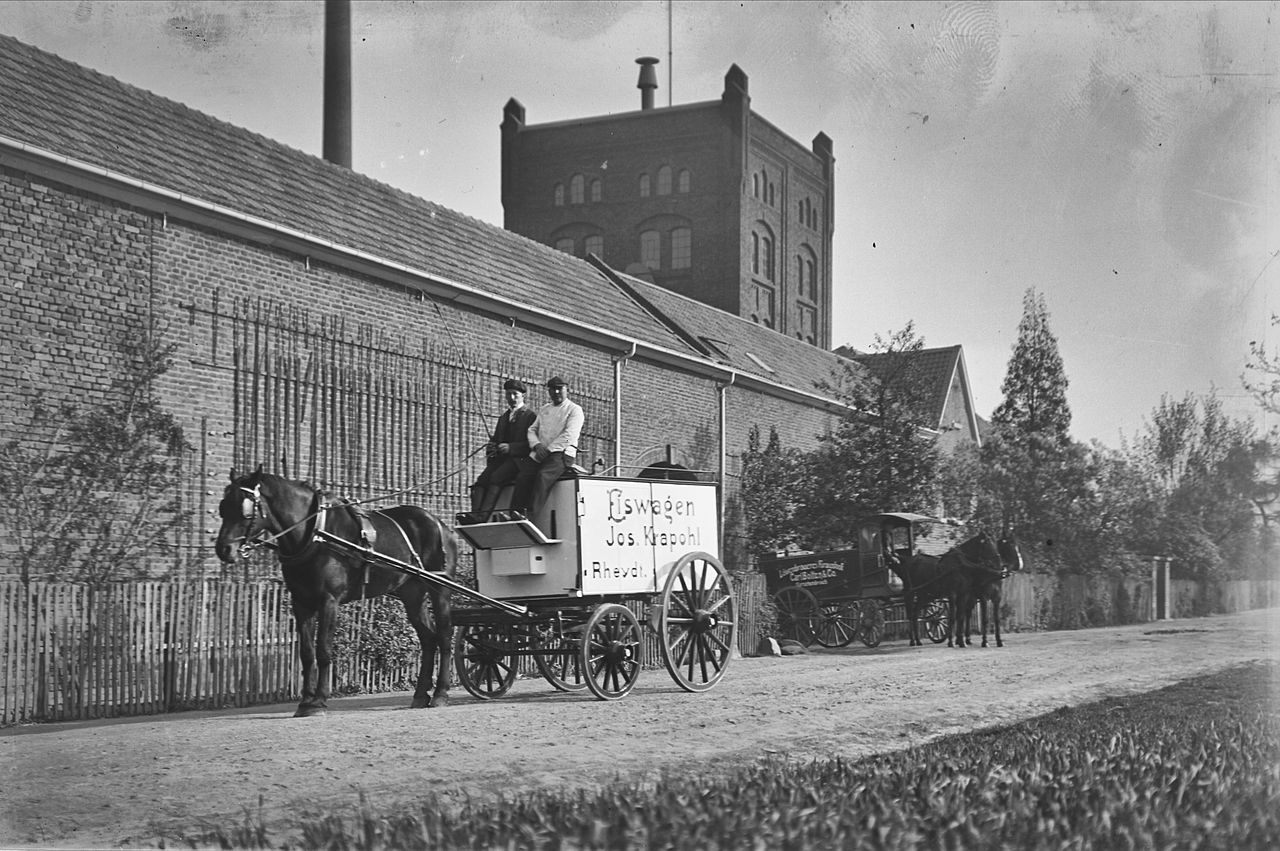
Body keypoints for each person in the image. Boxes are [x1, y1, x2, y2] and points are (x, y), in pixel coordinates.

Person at [511, 375, 585, 522]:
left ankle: (529, 516)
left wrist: (549, 449)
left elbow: (569, 435)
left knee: (543, 476)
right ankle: (514, 513)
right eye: (552, 389)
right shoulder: (545, 409)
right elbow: (532, 429)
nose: (556, 392)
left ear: (566, 390)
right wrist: (537, 445)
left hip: (562, 454)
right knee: (523, 475)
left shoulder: (574, 410)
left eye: (559, 389)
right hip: (541, 452)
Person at [463, 378, 537, 523]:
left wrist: (511, 448)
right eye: (508, 394)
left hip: (520, 461)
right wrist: (492, 447)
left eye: (515, 394)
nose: (512, 398)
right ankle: (474, 514)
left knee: (496, 477)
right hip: (502, 460)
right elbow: (497, 439)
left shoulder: (530, 416)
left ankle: (482, 517)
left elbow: (532, 443)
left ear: (523, 396)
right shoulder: (503, 417)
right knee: (480, 481)